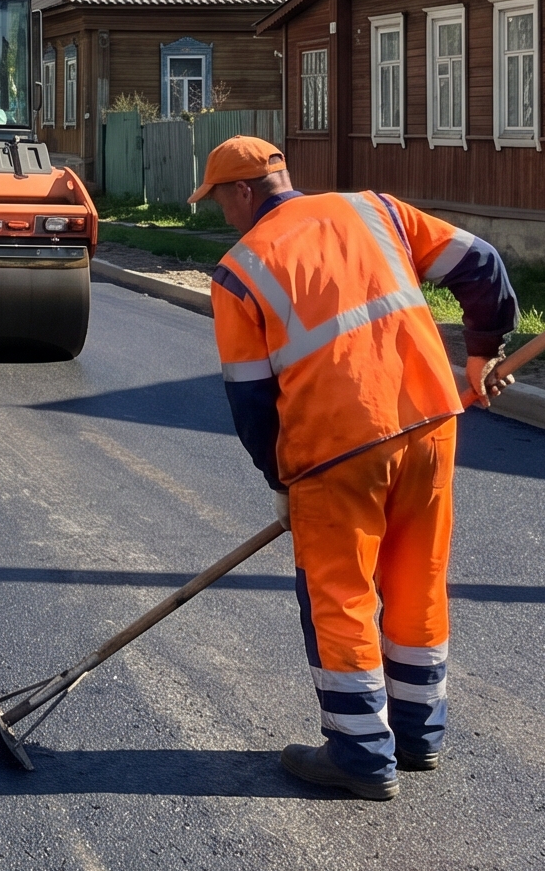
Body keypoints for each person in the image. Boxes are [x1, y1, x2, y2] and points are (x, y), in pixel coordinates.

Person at [196, 137, 517, 801]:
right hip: (429, 423)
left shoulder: (239, 271)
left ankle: (361, 754)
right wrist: (482, 356)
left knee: (339, 594)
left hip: (334, 449)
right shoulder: (375, 210)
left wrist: (278, 480)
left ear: (242, 193)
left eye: (219, 200)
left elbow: (252, 400)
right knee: (415, 580)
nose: (222, 214)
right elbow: (481, 264)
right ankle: (418, 736)